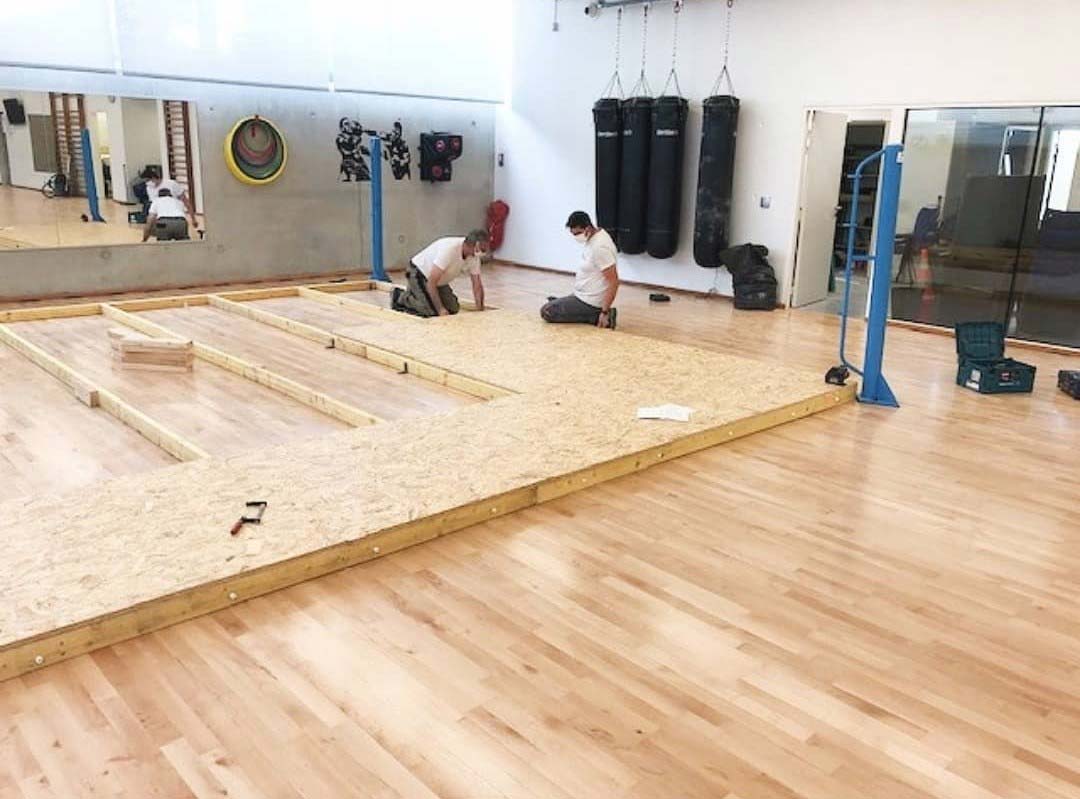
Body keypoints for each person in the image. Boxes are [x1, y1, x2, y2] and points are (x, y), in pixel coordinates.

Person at [541, 211, 619, 329]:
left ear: (587, 228)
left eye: (577, 233)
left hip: (591, 302)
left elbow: (614, 281)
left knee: (547, 311)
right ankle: (567, 305)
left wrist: (604, 312)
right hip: (582, 294)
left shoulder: (600, 247)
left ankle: (595, 316)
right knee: (554, 304)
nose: (576, 237)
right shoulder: (595, 236)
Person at [393, 230, 489, 317]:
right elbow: (431, 283)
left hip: (439, 281)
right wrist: (440, 309)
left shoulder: (474, 257)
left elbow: (477, 285)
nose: (483, 252)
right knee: (430, 312)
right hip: (419, 273)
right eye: (482, 249)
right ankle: (401, 297)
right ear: (472, 246)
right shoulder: (449, 250)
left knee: (453, 308)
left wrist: (480, 310)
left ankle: (420, 296)